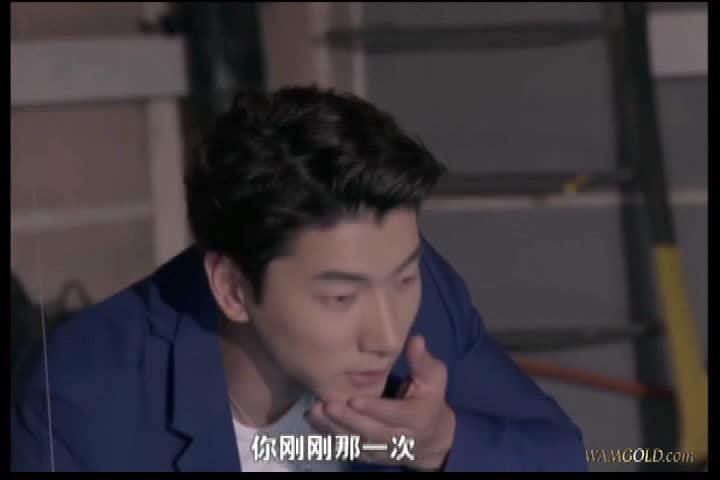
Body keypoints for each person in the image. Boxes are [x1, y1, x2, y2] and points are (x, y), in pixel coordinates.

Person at [11, 86, 587, 472]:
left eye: (403, 277)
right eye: (340, 296)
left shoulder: (420, 291)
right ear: (233, 288)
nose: (387, 334)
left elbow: (562, 456)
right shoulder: (82, 403)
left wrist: (441, 444)